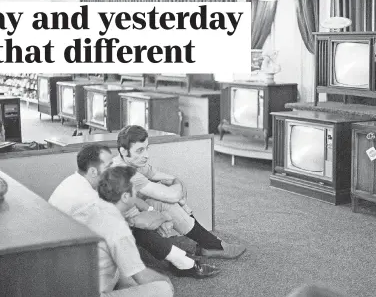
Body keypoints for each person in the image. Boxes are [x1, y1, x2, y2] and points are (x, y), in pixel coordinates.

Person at [49, 144, 219, 279]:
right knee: (137, 231)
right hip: (74, 258)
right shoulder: (89, 200)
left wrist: (152, 211)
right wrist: (162, 218)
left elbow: (126, 200)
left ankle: (180, 259)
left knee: (138, 223)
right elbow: (137, 222)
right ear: (93, 171)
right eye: (108, 166)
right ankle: (182, 262)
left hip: (77, 240)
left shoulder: (78, 180)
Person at [112, 125, 246, 259]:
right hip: (124, 223)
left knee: (168, 197)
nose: (146, 155)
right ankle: (211, 244)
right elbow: (173, 195)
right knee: (168, 201)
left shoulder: (133, 162)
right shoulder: (124, 171)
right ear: (124, 151)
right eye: (140, 150)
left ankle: (209, 244)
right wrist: (177, 188)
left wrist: (176, 184)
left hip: (138, 210)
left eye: (147, 148)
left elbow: (163, 177)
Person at [78, 165, 174, 297]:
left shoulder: (95, 210)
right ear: (124, 197)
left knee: (127, 276)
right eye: (134, 191)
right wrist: (166, 281)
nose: (137, 194)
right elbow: (142, 276)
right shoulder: (118, 228)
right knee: (163, 288)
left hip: (81, 284)